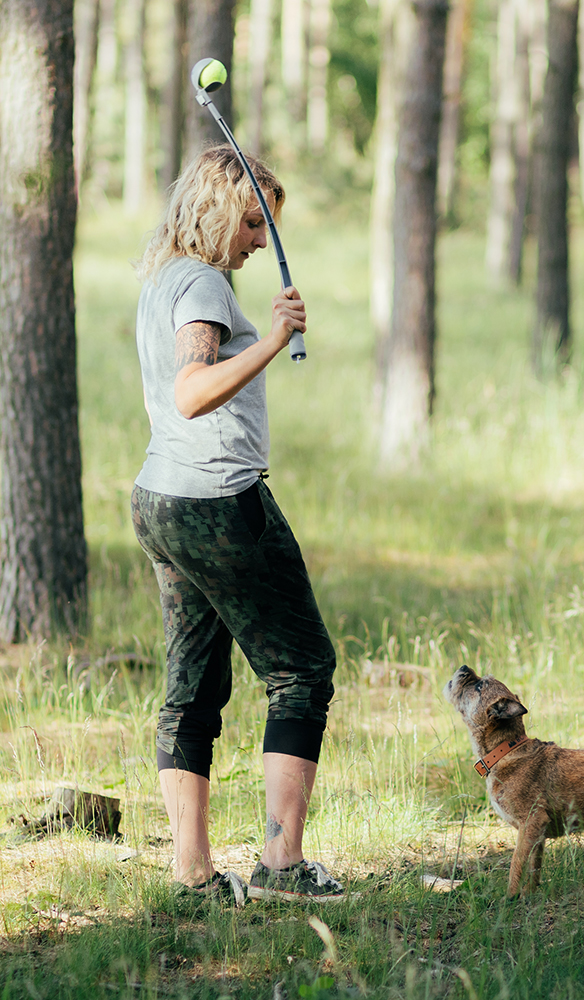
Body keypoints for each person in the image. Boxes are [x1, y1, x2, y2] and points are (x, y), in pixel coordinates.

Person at [131, 145, 341, 905]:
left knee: (193, 688)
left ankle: (193, 876)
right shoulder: (202, 287)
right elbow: (191, 392)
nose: (259, 239)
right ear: (218, 210)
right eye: (252, 221)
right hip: (219, 504)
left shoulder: (163, 278)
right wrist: (277, 340)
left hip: (161, 500)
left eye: (266, 226)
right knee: (301, 672)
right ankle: (282, 868)